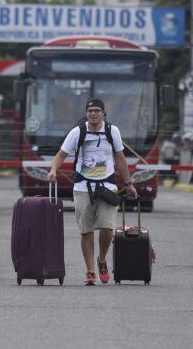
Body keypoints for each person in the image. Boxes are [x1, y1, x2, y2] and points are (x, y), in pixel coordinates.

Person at [47, 98, 138, 286]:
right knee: (86, 230)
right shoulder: (77, 132)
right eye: (90, 111)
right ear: (86, 113)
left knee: (107, 228)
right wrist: (53, 170)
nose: (93, 114)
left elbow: (120, 158)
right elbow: (61, 155)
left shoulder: (112, 131)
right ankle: (90, 271)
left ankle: (102, 259)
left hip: (107, 186)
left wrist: (128, 183)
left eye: (97, 111)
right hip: (83, 187)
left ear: (104, 113)